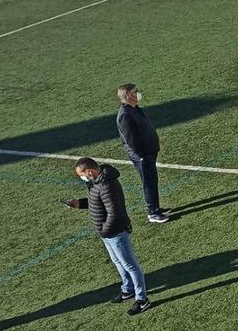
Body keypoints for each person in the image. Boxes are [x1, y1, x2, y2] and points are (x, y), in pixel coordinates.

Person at [64, 158, 151, 316]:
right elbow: (96, 203)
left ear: (89, 172)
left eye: (81, 175)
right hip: (107, 233)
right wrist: (78, 203)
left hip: (115, 232)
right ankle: (128, 290)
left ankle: (142, 299)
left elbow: (114, 213)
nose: (81, 178)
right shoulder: (96, 183)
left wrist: (104, 230)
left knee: (130, 265)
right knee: (118, 262)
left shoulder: (106, 185)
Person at [116, 84, 168, 223]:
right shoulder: (125, 115)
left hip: (149, 152)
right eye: (135, 92)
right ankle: (152, 212)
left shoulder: (134, 109)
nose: (138, 93)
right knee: (149, 183)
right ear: (128, 96)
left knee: (152, 180)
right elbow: (131, 139)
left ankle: (156, 208)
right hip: (142, 156)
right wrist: (142, 155)